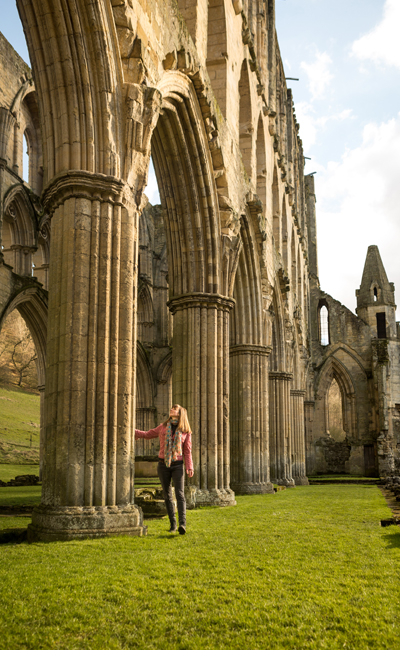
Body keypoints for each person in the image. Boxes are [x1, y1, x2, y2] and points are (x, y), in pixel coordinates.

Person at [135, 404, 194, 534]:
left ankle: (182, 524)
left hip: (178, 465)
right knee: (167, 496)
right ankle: (173, 524)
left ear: (180, 413)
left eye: (174, 408)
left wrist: (189, 467)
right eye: (171, 408)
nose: (171, 409)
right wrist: (134, 432)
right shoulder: (163, 427)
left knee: (180, 494)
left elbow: (187, 451)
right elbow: (149, 434)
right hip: (163, 465)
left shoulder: (185, 431)